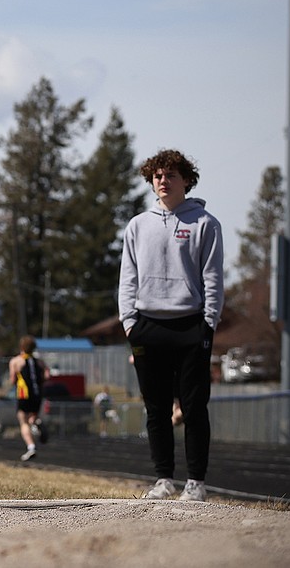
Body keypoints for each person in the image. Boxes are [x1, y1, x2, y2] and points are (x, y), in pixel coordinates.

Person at [119, 149, 224, 502]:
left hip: (191, 327)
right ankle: (164, 479)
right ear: (152, 181)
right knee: (157, 409)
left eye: (171, 175)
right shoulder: (137, 225)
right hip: (147, 327)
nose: (163, 181)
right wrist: (130, 323)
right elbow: (127, 279)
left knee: (194, 408)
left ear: (186, 180)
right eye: (158, 176)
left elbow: (213, 279)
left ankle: (196, 482)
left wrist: (208, 323)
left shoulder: (205, 223)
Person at [8, 335, 48, 462]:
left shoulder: (16, 361)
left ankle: (31, 447)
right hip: (38, 394)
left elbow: (12, 379)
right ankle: (38, 423)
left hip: (23, 394)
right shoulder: (39, 361)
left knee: (23, 421)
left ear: (21, 347)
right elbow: (47, 374)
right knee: (32, 417)